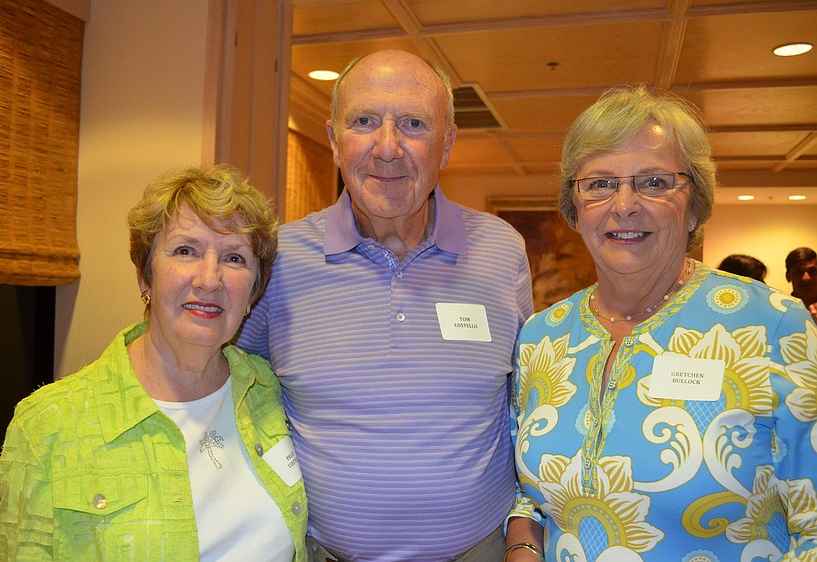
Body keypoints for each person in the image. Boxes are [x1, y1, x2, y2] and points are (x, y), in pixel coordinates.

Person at [235, 50, 533, 561]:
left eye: (413, 124)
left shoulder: (501, 250)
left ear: (446, 144)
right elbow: (227, 392)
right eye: (364, 122)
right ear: (334, 141)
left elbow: (526, 405)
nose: (388, 148)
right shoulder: (279, 259)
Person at [507, 85, 817, 561]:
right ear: (575, 208)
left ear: (695, 205)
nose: (624, 204)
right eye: (600, 183)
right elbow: (528, 490)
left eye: (654, 182)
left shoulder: (774, 326)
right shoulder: (541, 336)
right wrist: (523, 545)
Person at [0, 166, 308, 561]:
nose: (210, 279)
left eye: (234, 258)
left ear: (254, 291)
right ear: (145, 276)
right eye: (185, 250)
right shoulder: (49, 426)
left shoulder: (270, 392)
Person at [785, 246, 817, 323]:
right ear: (788, 277)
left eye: (812, 271)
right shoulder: (782, 312)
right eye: (798, 272)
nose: (806, 278)